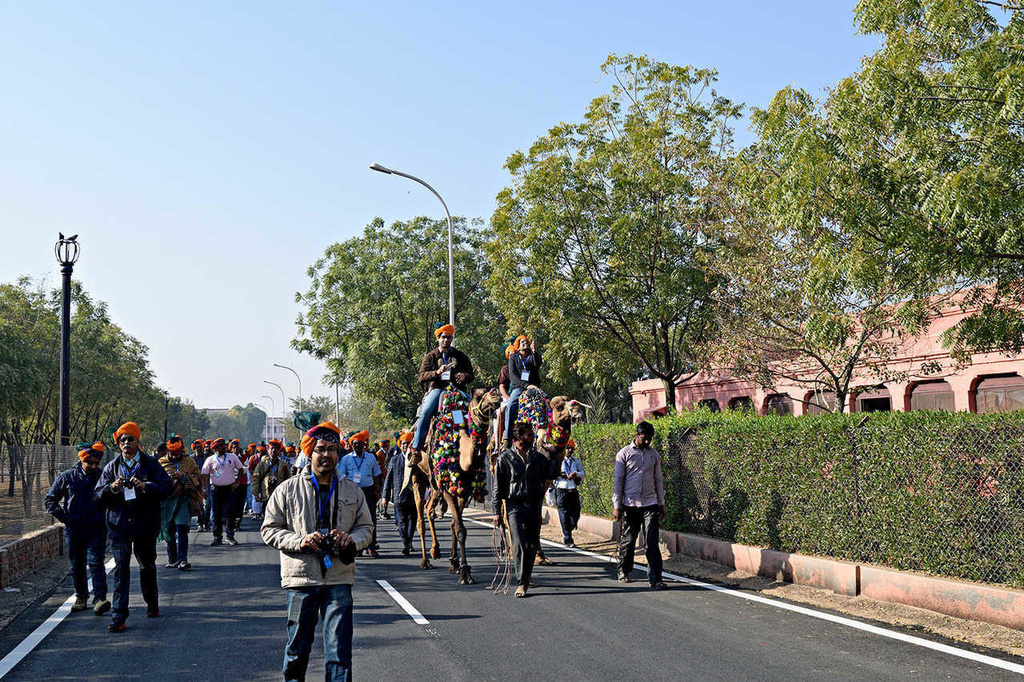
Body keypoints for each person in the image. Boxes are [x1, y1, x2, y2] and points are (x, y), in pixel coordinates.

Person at [261, 421, 373, 681]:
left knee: (339, 652)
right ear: (309, 453)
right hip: (301, 579)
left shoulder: (351, 491)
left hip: (339, 578)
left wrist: (350, 540)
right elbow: (269, 529)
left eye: (333, 449)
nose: (327, 455)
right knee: (297, 650)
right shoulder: (287, 490)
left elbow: (366, 528)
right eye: (321, 449)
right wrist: (299, 541)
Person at [94, 422, 172, 631]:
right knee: (121, 569)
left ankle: (152, 603)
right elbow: (98, 494)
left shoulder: (151, 464)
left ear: (138, 442)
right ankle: (119, 616)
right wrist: (112, 487)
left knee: (146, 566)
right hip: (119, 525)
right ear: (118, 444)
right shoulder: (112, 467)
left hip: (145, 524)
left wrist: (146, 486)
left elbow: (167, 488)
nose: (126, 443)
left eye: (130, 439)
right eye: (123, 440)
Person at [491, 422, 559, 598]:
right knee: (520, 544)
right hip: (515, 506)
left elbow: (551, 474)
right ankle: (521, 583)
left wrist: (553, 454)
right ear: (519, 437)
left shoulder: (537, 458)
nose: (533, 438)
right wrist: (496, 512)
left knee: (530, 546)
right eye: (529, 435)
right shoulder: (505, 458)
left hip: (534, 506)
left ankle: (526, 577)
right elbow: (498, 488)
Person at [45, 442, 110, 615]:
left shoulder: (103, 476)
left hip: (97, 528)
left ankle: (100, 599)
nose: (94, 466)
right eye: (90, 463)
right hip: (75, 529)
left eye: (97, 463)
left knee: (96, 563)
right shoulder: (66, 477)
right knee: (77, 564)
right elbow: (50, 500)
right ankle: (81, 597)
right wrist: (65, 518)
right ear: (82, 460)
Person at [612, 421, 667, 589]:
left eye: (650, 439)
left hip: (650, 503)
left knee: (651, 542)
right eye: (645, 438)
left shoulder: (654, 455)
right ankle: (623, 569)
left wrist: (661, 503)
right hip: (630, 504)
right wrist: (617, 505)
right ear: (637, 435)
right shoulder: (624, 454)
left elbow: (658, 479)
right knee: (628, 541)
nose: (647, 442)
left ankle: (656, 579)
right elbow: (618, 481)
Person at [411, 323, 475, 456]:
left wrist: (464, 376)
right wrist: (436, 373)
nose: (446, 340)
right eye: (443, 337)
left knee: (473, 409)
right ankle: (416, 449)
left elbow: (471, 375)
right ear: (438, 338)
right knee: (426, 411)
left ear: (452, 339)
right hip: (438, 390)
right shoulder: (430, 356)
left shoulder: (460, 356)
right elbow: (421, 376)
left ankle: (475, 444)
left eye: (449, 337)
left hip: (457, 390)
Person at [158, 436, 204, 570]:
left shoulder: (189, 461)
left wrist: (183, 477)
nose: (175, 454)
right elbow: (155, 480)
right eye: (172, 452)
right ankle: (172, 559)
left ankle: (182, 559)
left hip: (183, 499)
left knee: (182, 529)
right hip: (167, 502)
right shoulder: (161, 462)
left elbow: (198, 478)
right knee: (169, 530)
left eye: (178, 451)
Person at [339, 431, 381, 558]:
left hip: (368, 491)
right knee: (353, 520)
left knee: (370, 520)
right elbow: (341, 476)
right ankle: (357, 547)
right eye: (355, 444)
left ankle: (371, 547)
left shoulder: (371, 457)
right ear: (352, 445)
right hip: (352, 492)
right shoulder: (346, 459)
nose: (357, 446)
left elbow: (376, 475)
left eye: (360, 444)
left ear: (364, 445)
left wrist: (377, 490)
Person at [201, 437, 245, 546]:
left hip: (229, 488)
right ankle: (217, 537)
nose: (224, 447)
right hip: (215, 489)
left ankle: (230, 536)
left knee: (231, 512)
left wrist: (237, 482)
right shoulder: (210, 460)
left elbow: (241, 469)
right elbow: (204, 475)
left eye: (223, 445)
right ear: (215, 448)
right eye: (220, 446)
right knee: (216, 514)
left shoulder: (232, 456)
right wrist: (204, 489)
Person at [504, 335, 542, 447]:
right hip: (519, 387)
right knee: (510, 405)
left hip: (534, 387)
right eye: (522, 342)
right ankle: (508, 437)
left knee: (546, 402)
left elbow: (537, 364)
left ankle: (546, 436)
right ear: (518, 346)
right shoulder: (514, 358)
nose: (525, 343)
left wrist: (535, 352)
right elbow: (513, 376)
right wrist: (526, 385)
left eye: (527, 342)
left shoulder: (532, 356)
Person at [381, 432, 415, 555]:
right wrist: (384, 497)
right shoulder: (394, 460)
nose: (405, 446)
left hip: (413, 497)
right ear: (400, 445)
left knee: (412, 521)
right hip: (399, 496)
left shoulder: (416, 460)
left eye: (408, 444)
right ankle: (405, 542)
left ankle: (409, 542)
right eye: (403, 444)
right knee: (401, 522)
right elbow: (388, 479)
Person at [555, 438, 585, 547]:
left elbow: (582, 473)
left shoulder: (575, 461)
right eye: (567, 448)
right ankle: (568, 538)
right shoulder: (558, 460)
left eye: (571, 448)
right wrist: (561, 474)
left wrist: (575, 474)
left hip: (572, 490)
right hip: (562, 490)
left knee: (575, 514)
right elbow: (552, 473)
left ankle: (568, 529)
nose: (569, 450)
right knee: (564, 514)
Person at [252, 440, 292, 512]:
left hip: (279, 494)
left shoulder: (283, 465)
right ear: (268, 450)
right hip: (266, 494)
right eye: (272, 448)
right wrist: (256, 493)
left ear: (279, 451)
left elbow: (288, 480)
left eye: (276, 448)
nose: (273, 450)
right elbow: (256, 478)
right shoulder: (262, 464)